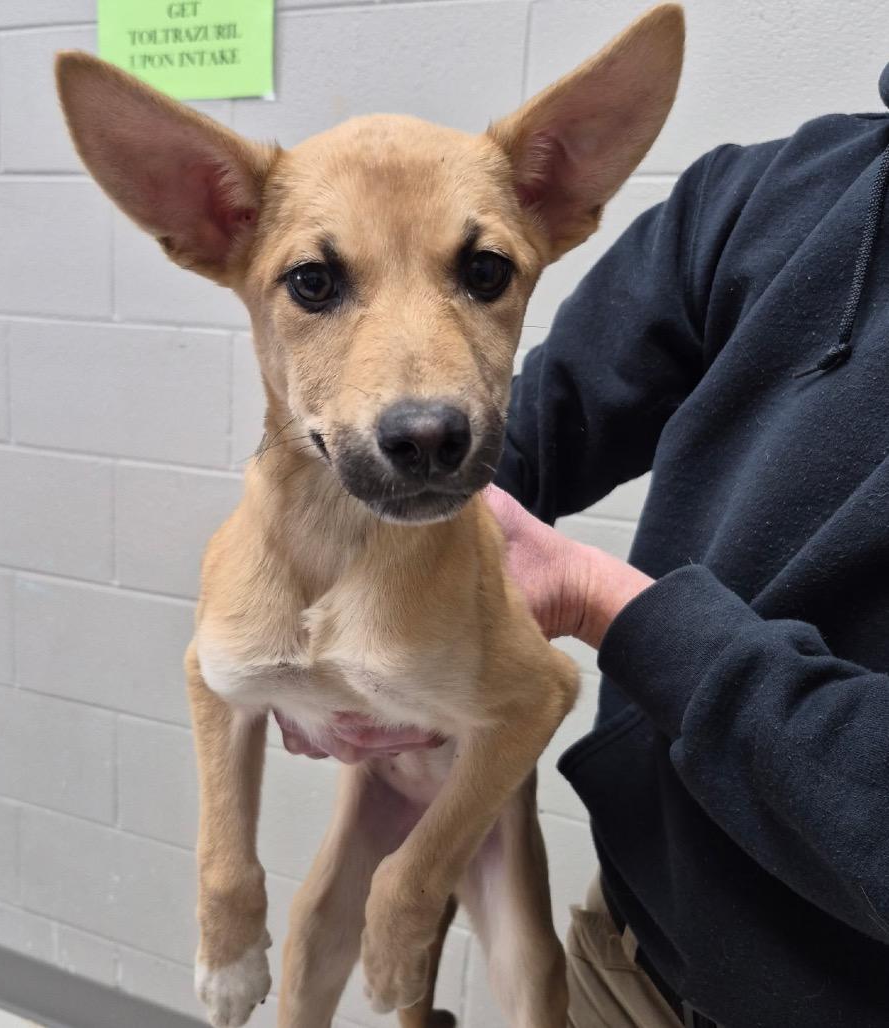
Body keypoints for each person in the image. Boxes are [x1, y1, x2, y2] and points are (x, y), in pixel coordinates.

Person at [277, 64, 889, 1028]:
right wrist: (362, 574)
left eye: (482, 274)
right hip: (635, 956)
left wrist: (602, 603)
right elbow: (534, 429)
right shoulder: (773, 194)